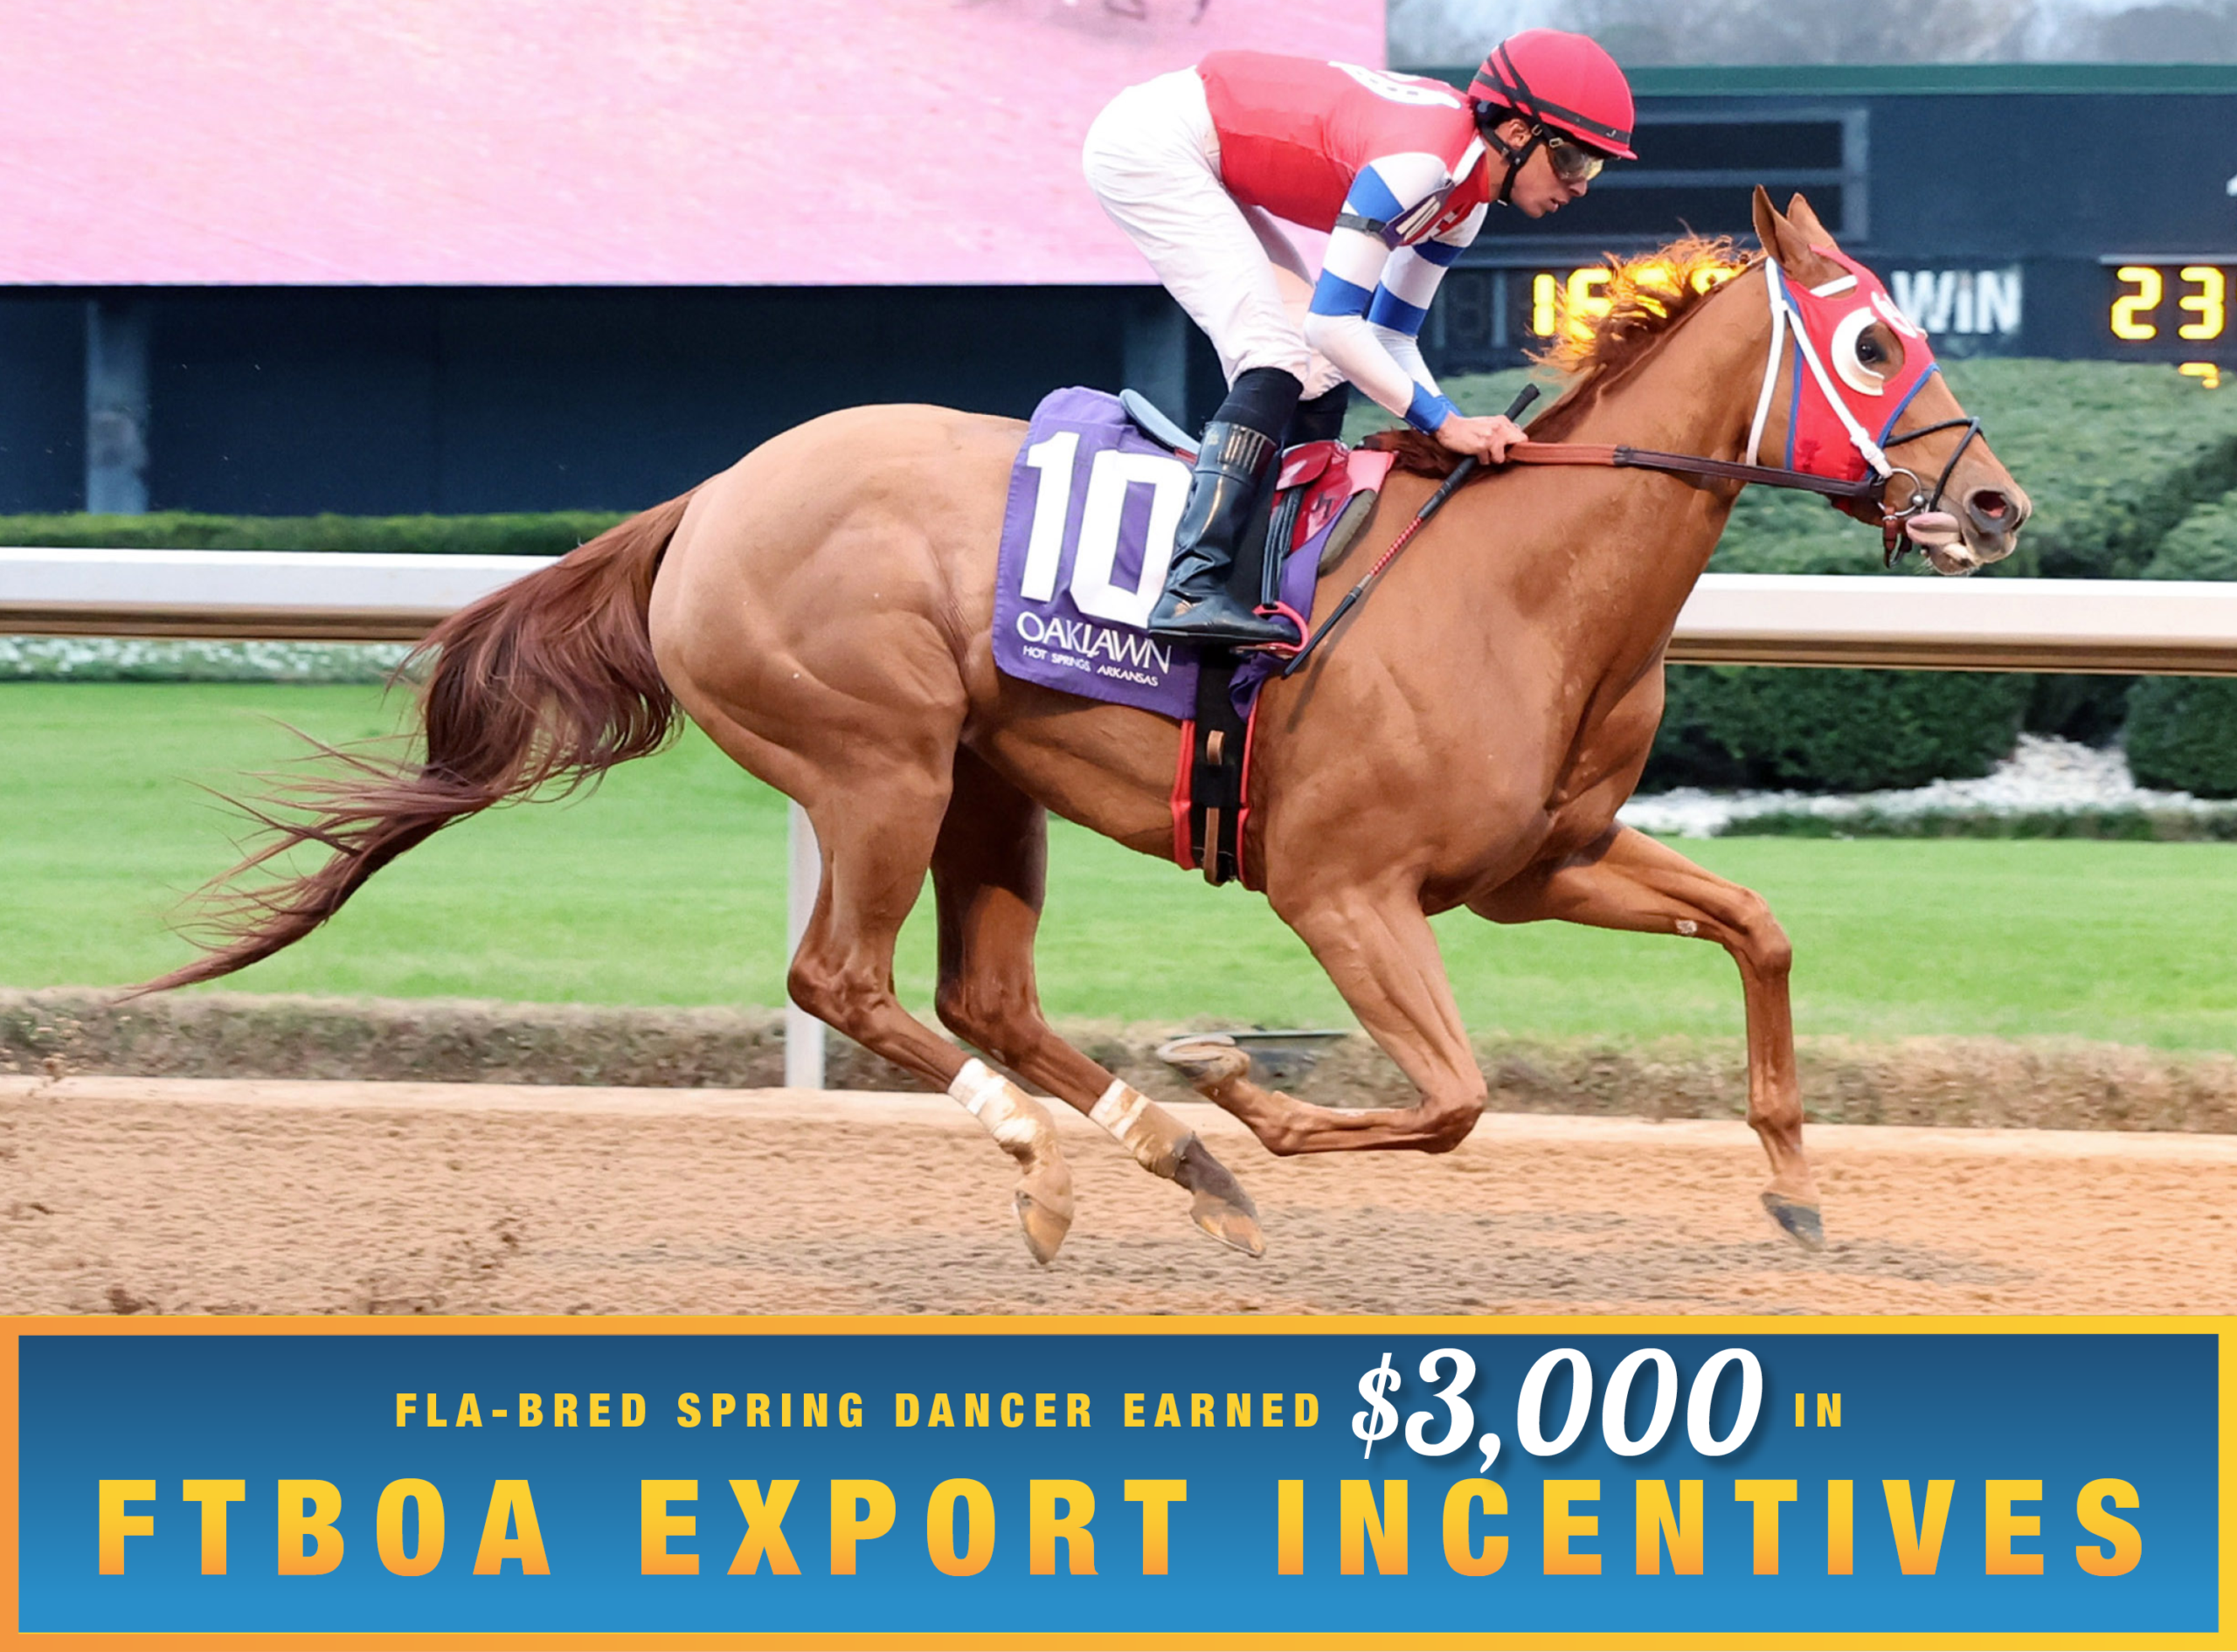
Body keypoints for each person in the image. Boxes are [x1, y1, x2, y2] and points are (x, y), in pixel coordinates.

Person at [1083, 32, 1635, 646]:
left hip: (1200, 146)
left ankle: (1275, 585)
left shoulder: (1465, 205)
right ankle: (1190, 587)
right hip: (1155, 142)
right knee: (1278, 352)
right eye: (1574, 160)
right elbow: (1332, 320)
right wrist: (1444, 424)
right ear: (1514, 132)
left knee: (1321, 370)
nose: (1582, 185)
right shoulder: (1422, 167)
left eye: (1595, 165)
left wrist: (1453, 421)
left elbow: (1388, 337)